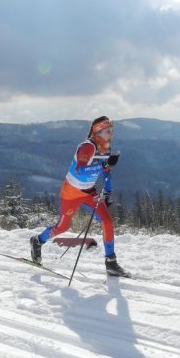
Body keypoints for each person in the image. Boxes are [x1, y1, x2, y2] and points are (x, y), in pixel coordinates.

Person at [30, 116, 129, 277]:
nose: (112, 134)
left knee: (107, 221)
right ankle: (38, 240)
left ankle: (111, 263)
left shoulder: (106, 148)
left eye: (112, 131)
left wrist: (108, 192)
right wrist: (104, 163)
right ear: (98, 131)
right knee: (62, 227)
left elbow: (105, 172)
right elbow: (80, 170)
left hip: (89, 192)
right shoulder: (87, 147)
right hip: (72, 193)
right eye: (108, 131)